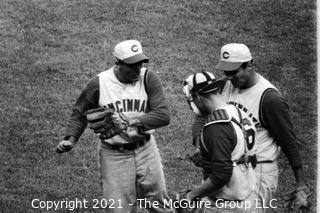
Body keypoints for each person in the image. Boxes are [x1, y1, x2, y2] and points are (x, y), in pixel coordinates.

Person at [56, 40, 173, 213]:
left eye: (140, 64)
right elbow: (80, 113)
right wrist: (71, 139)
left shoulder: (148, 78)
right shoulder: (99, 83)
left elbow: (163, 115)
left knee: (159, 203)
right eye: (132, 65)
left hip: (146, 149)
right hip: (113, 153)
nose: (137, 69)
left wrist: (128, 121)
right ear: (117, 63)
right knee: (118, 208)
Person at [192, 43, 309, 212]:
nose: (229, 77)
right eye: (226, 72)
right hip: (229, 169)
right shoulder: (225, 85)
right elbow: (202, 115)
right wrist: (199, 146)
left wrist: (300, 184)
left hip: (259, 171)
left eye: (234, 72)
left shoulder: (269, 99)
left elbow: (290, 143)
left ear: (250, 65)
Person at [182, 72, 257, 213]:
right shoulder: (237, 112)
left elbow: (222, 174)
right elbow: (237, 150)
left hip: (226, 205)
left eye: (190, 101)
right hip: (247, 196)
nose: (189, 107)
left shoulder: (216, 126)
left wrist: (191, 196)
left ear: (197, 97)